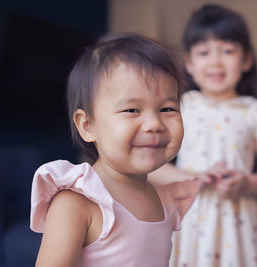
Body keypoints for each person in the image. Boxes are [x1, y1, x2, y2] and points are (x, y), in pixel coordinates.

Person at [29, 33, 203, 266]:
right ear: (87, 125)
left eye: (167, 109)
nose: (154, 124)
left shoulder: (166, 200)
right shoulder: (77, 203)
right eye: (131, 110)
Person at [149, 4, 257, 267]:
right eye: (204, 52)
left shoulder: (256, 111)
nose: (215, 61)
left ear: (246, 60)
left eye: (228, 50)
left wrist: (247, 184)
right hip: (189, 219)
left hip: (239, 222)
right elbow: (152, 168)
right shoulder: (180, 105)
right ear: (189, 62)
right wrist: (196, 177)